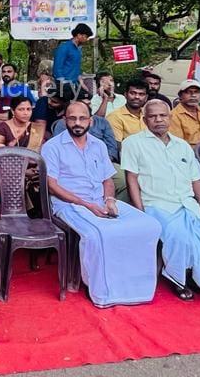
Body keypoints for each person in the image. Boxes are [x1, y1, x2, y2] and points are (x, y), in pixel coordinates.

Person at [41, 101, 162, 307]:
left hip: (100, 200)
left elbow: (107, 180)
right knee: (99, 234)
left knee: (150, 225)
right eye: (72, 118)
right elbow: (52, 186)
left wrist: (110, 200)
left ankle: (133, 287)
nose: (77, 123)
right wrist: (86, 204)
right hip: (70, 204)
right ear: (65, 120)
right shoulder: (52, 146)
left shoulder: (98, 145)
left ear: (91, 120)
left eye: (82, 118)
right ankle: (102, 292)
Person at [123, 100, 200, 300]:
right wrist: (140, 212)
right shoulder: (133, 143)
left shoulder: (182, 146)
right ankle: (178, 279)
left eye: (163, 115)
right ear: (145, 120)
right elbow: (132, 179)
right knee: (180, 238)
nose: (158, 120)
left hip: (188, 204)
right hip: (156, 205)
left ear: (170, 118)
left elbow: (195, 179)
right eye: (153, 116)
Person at [52, 91, 119, 163]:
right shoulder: (63, 123)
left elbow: (112, 146)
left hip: (103, 162)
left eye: (89, 104)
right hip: (72, 163)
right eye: (84, 105)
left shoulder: (102, 122)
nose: (87, 107)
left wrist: (106, 161)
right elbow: (59, 148)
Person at [169, 79, 200, 145]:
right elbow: (177, 144)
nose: (193, 95)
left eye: (196, 92)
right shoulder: (173, 116)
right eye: (188, 92)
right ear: (180, 96)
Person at [106, 78, 149, 143]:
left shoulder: (149, 115)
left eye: (141, 94)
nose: (137, 97)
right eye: (133, 93)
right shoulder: (114, 117)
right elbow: (117, 146)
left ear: (146, 98)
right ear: (125, 95)